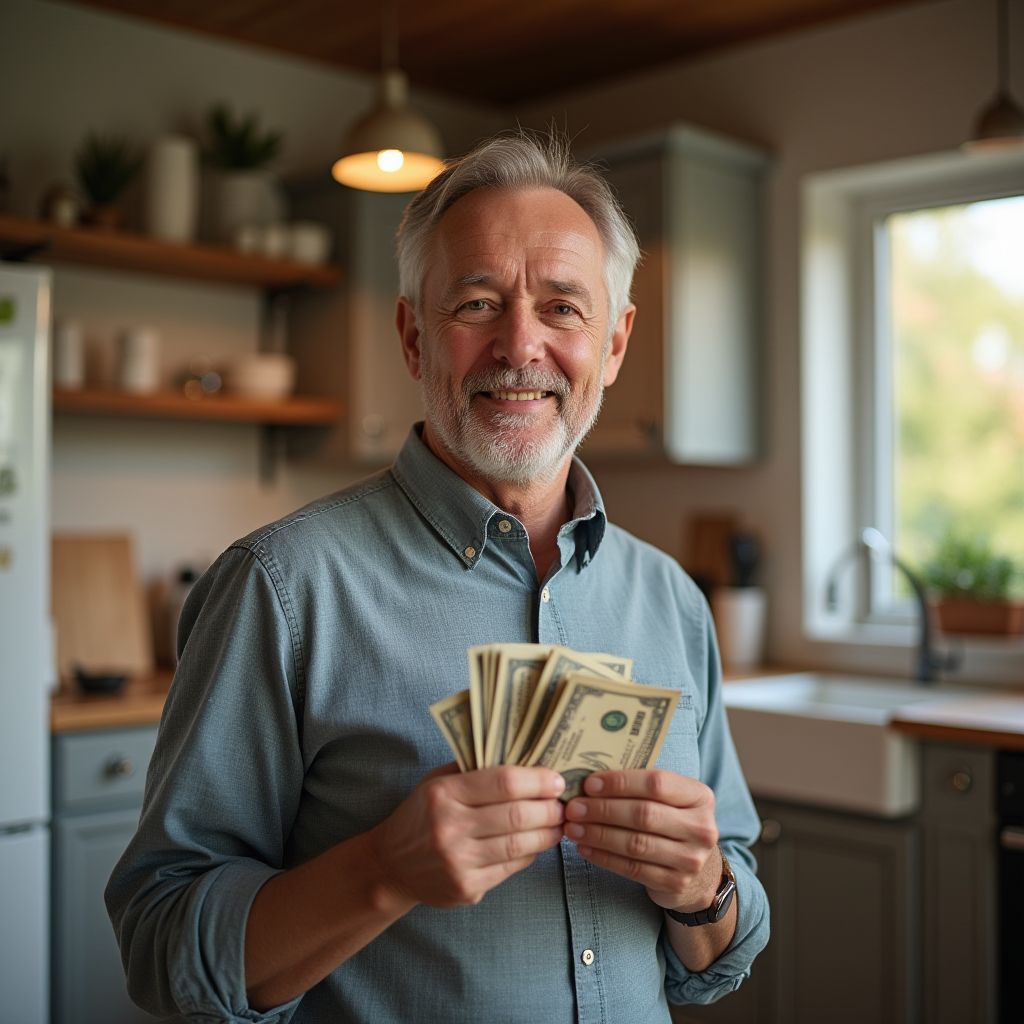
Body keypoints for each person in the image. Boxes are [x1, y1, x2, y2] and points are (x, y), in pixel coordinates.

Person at [106, 130, 769, 1023]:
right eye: (477, 303)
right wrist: (381, 871)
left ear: (614, 344)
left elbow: (719, 949)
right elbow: (162, 946)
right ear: (414, 336)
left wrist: (703, 888)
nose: (519, 345)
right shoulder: (280, 589)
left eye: (563, 308)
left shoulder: (674, 601)